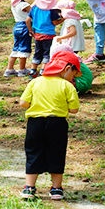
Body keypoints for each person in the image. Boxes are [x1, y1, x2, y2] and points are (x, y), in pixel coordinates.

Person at [19, 51, 81, 200]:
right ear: (67, 68)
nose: (73, 78)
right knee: (57, 153)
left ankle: (29, 188)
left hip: (35, 123)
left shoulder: (35, 82)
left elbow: (23, 103)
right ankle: (56, 189)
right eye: (74, 74)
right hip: (57, 123)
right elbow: (74, 109)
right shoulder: (67, 86)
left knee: (33, 152)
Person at [26, 0, 64, 78]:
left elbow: (27, 20)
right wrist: (63, 19)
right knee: (47, 53)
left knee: (37, 52)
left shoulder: (34, 8)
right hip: (48, 35)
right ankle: (43, 71)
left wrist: (30, 30)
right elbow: (54, 23)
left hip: (37, 35)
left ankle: (33, 71)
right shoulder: (52, 10)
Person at [4, 0, 32, 77]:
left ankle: (9, 69)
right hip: (25, 27)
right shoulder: (24, 5)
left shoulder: (14, 4)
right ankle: (22, 69)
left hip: (17, 27)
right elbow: (33, 12)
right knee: (24, 49)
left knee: (16, 48)